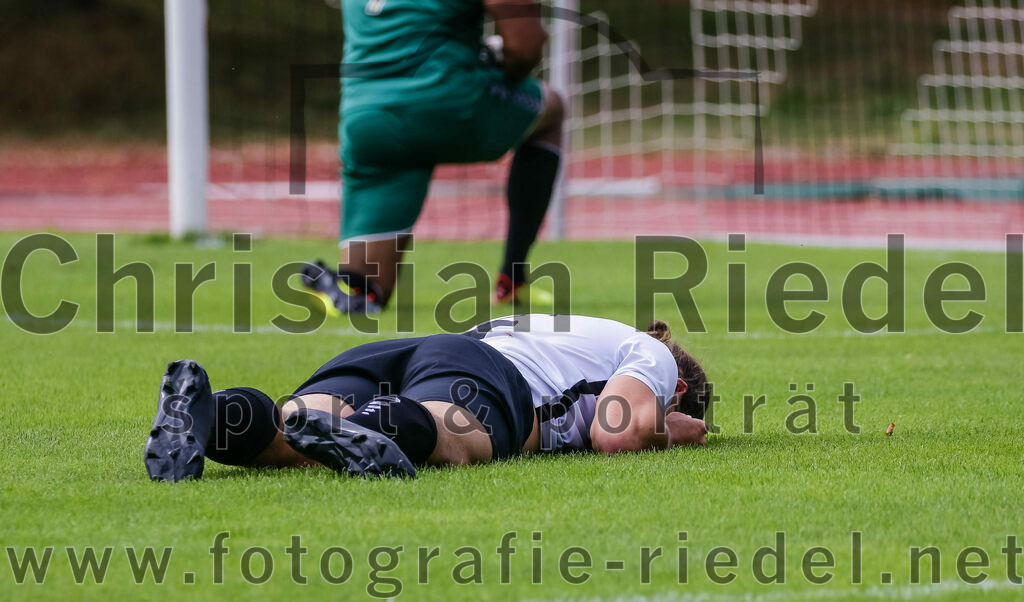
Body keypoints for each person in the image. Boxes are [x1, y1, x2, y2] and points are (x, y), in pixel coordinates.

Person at [144, 315, 711, 482]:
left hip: (409, 351)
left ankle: (216, 414)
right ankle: (380, 428)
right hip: (482, 373)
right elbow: (617, 434)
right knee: (451, 433)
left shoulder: (582, 332)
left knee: (292, 430)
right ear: (677, 390)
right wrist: (668, 429)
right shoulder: (650, 356)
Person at [301, 0, 566, 314]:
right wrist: (495, 62)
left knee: (366, 292)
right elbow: (527, 46)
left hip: (367, 122)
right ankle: (512, 278)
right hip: (449, 107)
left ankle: (348, 291)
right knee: (552, 108)